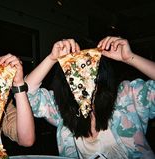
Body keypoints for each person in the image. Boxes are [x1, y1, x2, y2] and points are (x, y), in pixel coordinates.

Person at [25, 36, 155, 158]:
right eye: (74, 70)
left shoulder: (128, 95)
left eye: (89, 68)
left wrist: (130, 58)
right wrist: (51, 59)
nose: (82, 77)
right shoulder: (61, 107)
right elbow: (26, 94)